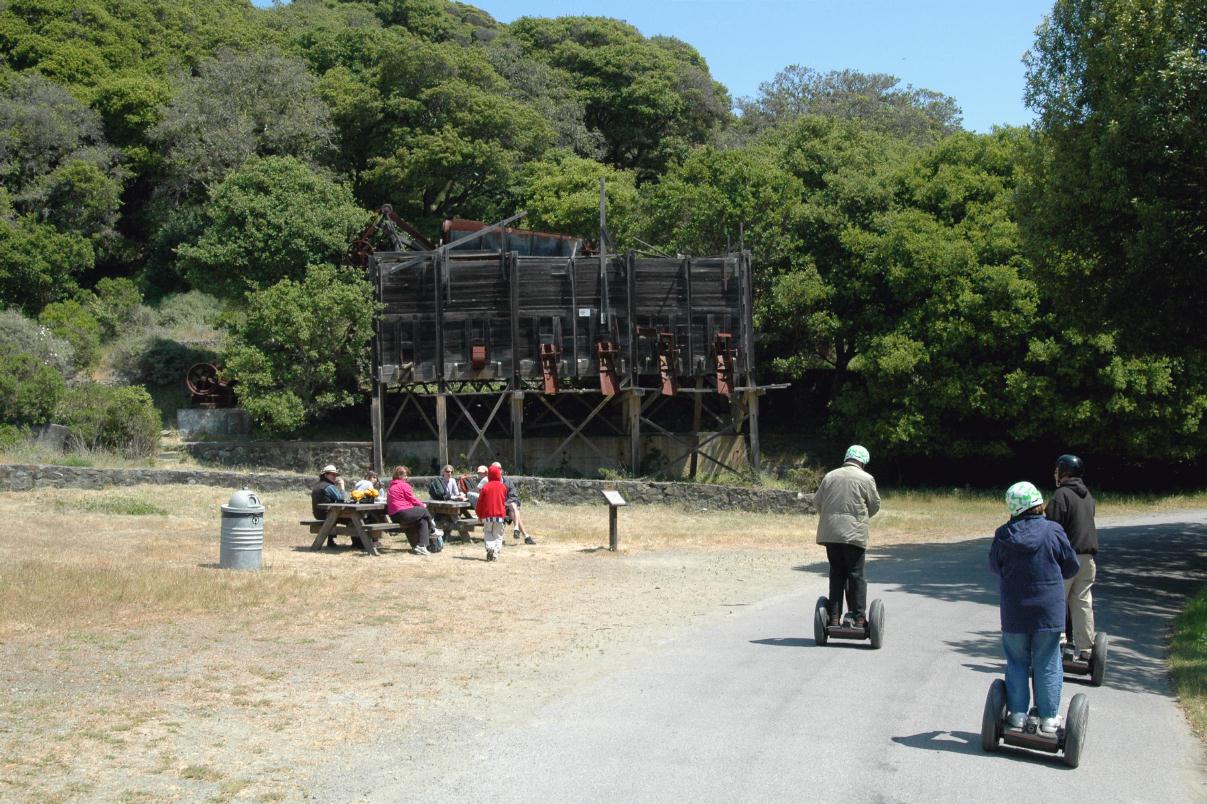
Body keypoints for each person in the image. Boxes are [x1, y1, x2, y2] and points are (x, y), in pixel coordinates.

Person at [990, 481, 1080, 733]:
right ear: (1038, 503)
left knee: (1016, 661)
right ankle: (1049, 718)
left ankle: (1017, 715)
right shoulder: (1053, 531)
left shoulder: (1003, 534)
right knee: (1048, 661)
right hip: (1048, 610)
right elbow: (1071, 566)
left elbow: (995, 567)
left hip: (1015, 610)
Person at [813, 445, 880, 627]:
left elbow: (817, 502)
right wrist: (860, 517)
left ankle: (833, 618)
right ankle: (859, 619)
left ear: (846, 458)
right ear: (863, 462)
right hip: (854, 535)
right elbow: (874, 506)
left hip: (831, 534)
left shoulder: (830, 476)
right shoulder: (866, 479)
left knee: (837, 573)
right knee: (856, 574)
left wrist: (830, 519)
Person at [1046, 454, 1098, 661]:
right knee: (1082, 602)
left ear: (1065, 472)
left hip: (1067, 558)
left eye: (1057, 470)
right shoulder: (1088, 496)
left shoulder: (1061, 496)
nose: (1055, 473)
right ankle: (1086, 648)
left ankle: (1058, 643)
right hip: (1087, 559)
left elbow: (1051, 529)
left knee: (1056, 599)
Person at [386, 465, 440, 556]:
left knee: (423, 521)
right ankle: (433, 530)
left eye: (407, 475)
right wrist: (422, 505)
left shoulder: (391, 486)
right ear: (399, 475)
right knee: (423, 510)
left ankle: (421, 546)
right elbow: (412, 499)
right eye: (404, 475)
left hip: (394, 516)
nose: (406, 477)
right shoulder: (403, 485)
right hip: (403, 513)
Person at [492, 461, 534, 544]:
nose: (497, 471)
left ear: (501, 471)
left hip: (508, 506)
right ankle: (524, 534)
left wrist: (506, 503)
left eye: (498, 469)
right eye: (494, 469)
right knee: (515, 511)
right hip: (495, 507)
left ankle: (518, 530)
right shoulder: (489, 482)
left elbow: (513, 496)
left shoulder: (508, 482)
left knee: (513, 507)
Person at [311, 464, 348, 548]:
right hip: (327, 514)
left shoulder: (317, 485)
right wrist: (342, 486)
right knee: (353, 520)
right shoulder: (329, 486)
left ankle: (331, 541)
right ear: (325, 475)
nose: (335, 477)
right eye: (333, 474)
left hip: (318, 514)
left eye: (335, 475)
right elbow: (341, 499)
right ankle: (359, 544)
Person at [476, 465, 508, 561]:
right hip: (499, 515)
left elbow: (480, 502)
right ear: (499, 474)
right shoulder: (503, 487)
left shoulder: (485, 487)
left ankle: (490, 547)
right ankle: (495, 554)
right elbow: (504, 502)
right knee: (498, 535)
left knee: (488, 532)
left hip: (487, 515)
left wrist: (479, 514)